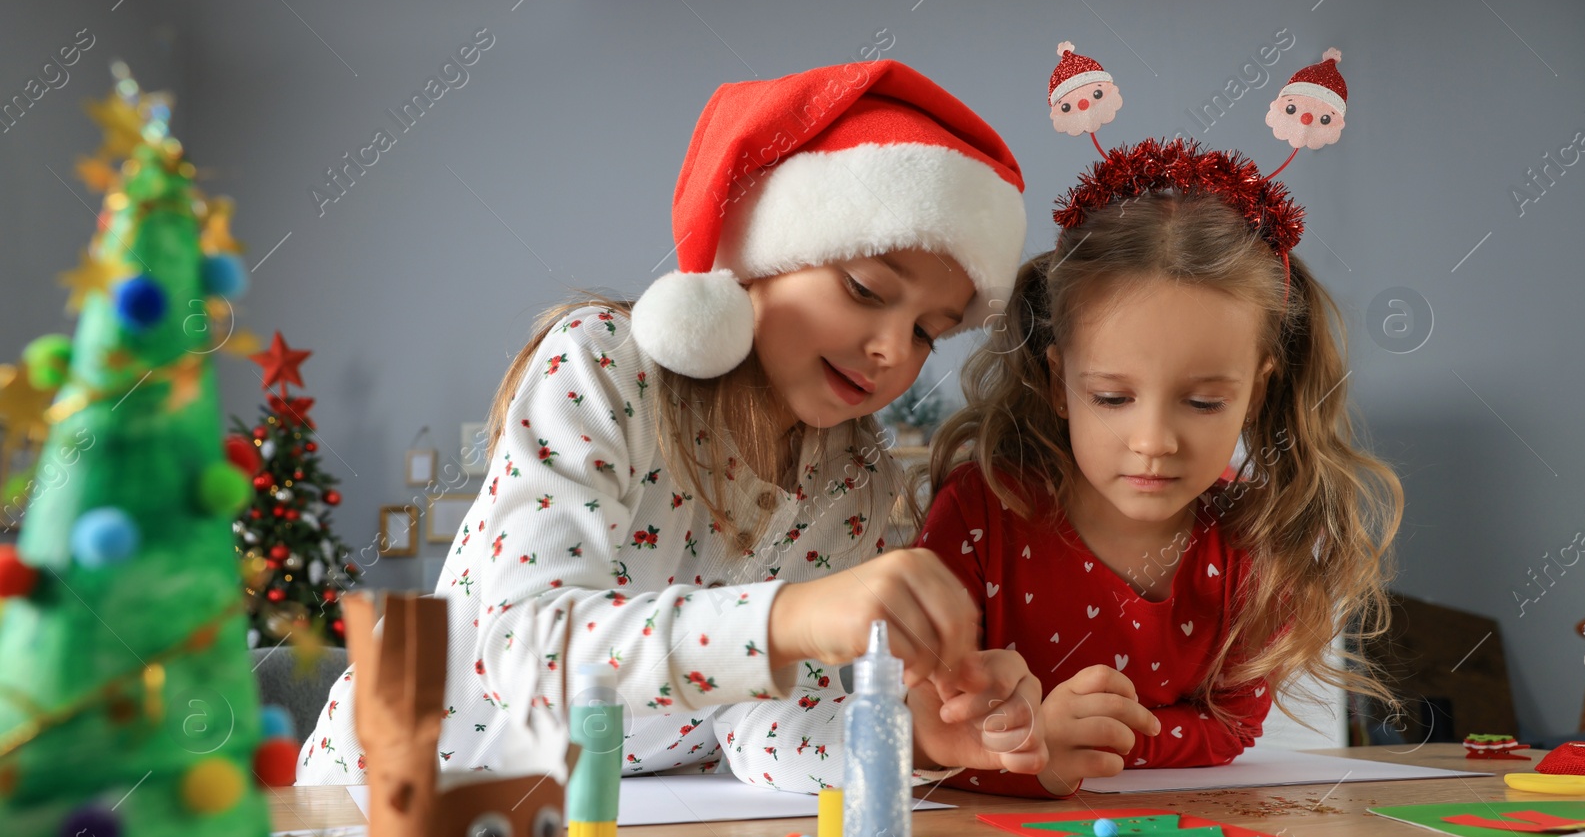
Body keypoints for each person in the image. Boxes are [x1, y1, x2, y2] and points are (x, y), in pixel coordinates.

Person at [297, 59, 1047, 790]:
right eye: (865, 288)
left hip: (601, 835)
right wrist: (788, 617)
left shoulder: (856, 489)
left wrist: (914, 734)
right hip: (387, 801)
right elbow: (523, 650)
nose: (891, 349)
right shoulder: (602, 367)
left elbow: (768, 733)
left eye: (927, 332)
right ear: (763, 252)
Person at [917, 140, 1404, 797]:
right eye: (1112, 398)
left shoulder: (1252, 541)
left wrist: (1089, 740)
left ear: (1255, 392)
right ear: (1059, 383)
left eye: (1203, 402)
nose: (1153, 442)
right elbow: (915, 728)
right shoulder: (980, 513)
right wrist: (1033, 752)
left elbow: (1230, 727)